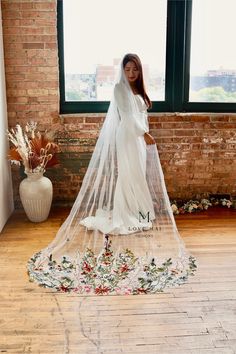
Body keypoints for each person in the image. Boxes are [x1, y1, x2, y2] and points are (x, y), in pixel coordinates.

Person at [28, 54, 197, 295]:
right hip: (128, 137)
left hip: (137, 138)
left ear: (139, 72)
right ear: (123, 70)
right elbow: (127, 117)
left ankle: (138, 210)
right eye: (128, 69)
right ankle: (125, 212)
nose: (131, 74)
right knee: (128, 176)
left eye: (135, 70)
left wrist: (144, 134)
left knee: (136, 175)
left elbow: (141, 115)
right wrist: (145, 135)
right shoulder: (119, 88)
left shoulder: (138, 89)